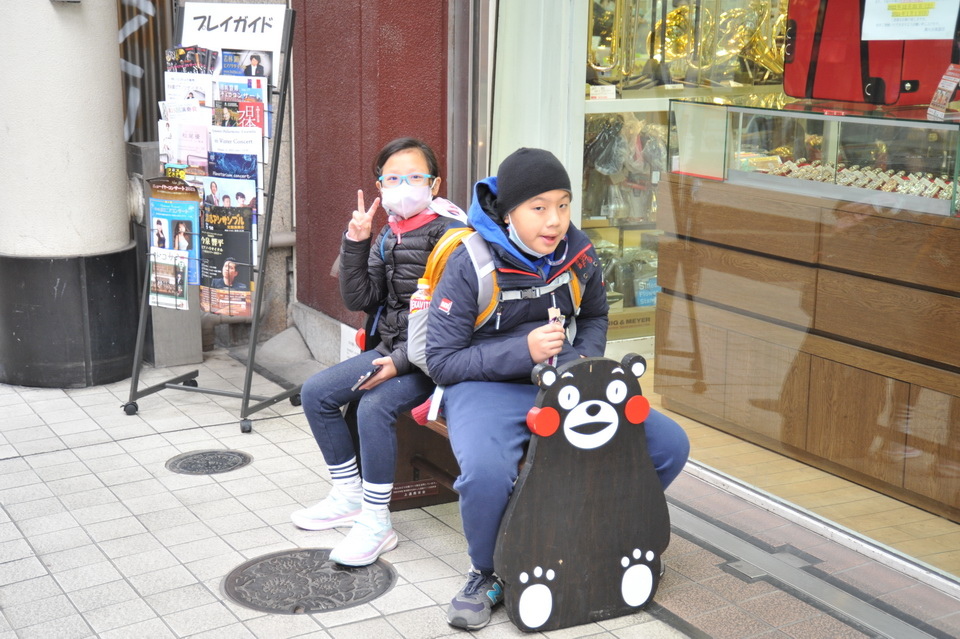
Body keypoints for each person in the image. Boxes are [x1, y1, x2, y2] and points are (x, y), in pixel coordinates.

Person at [424, 148, 691, 630]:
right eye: (539, 207)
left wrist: (585, 361)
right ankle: (489, 571)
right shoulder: (469, 262)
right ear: (509, 213)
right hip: (485, 385)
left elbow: (594, 314)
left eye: (564, 205)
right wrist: (522, 350)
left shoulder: (579, 253)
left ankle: (604, 537)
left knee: (670, 445)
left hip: (564, 379)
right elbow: (443, 362)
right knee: (485, 474)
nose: (555, 222)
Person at [292, 138, 466, 566]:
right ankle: (349, 494)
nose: (403, 185)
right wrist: (356, 241)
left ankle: (375, 522)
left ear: (435, 183)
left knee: (374, 406)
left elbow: (454, 322)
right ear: (380, 185)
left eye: (414, 177)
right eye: (392, 178)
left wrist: (399, 363)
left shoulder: (452, 236)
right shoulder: (389, 232)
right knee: (317, 394)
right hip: (393, 350)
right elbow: (360, 298)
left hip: (435, 361)